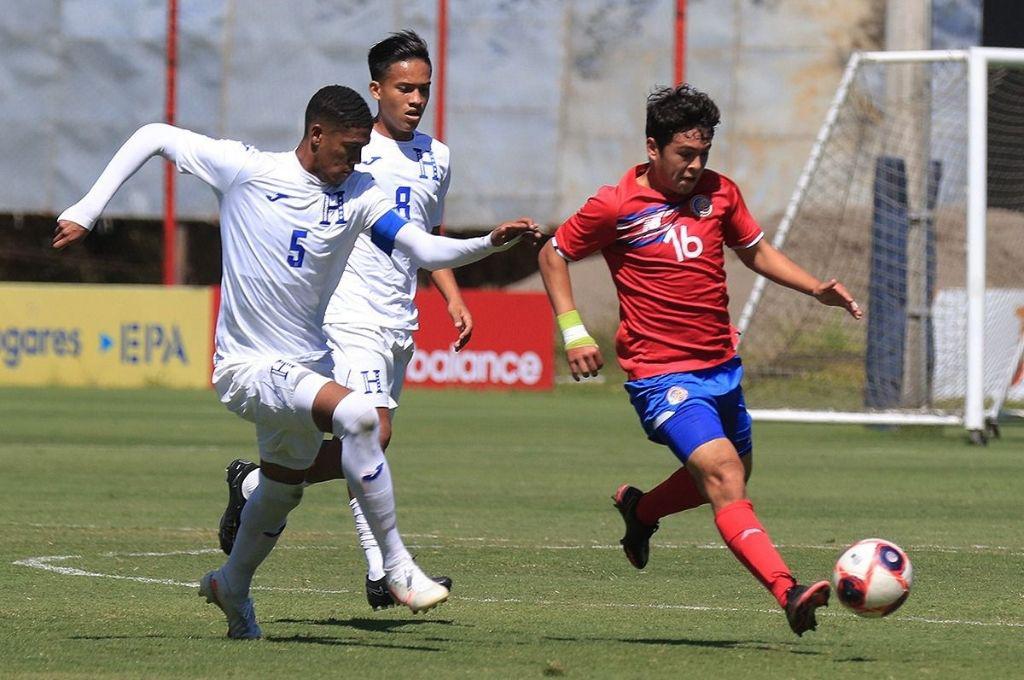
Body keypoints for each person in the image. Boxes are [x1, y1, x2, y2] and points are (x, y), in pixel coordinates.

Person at [53, 84, 538, 639]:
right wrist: (89, 209)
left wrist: (491, 242)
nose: (356, 160)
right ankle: (397, 567)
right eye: (349, 148)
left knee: (282, 489)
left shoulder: (360, 193)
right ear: (316, 135)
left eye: (361, 151)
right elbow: (154, 136)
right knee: (360, 419)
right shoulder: (247, 170)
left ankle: (230, 585)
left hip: (307, 366)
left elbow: (424, 249)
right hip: (246, 367)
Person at [536, 84, 862, 637]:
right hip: (661, 375)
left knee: (730, 474)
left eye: (703, 153)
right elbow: (553, 253)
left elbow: (753, 250)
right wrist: (573, 333)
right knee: (725, 474)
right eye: (684, 154)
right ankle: (788, 591)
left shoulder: (721, 194)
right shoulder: (615, 204)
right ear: (652, 147)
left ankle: (641, 513)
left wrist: (814, 288)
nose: (694, 165)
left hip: (721, 367)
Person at [217, 30, 468, 611]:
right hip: (348, 317)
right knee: (370, 430)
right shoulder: (352, 154)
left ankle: (259, 483)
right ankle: (386, 569)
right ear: (377, 90)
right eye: (405, 88)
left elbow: (427, 237)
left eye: (424, 89)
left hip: (396, 320)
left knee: (367, 440)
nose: (416, 99)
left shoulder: (438, 156)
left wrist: (451, 293)